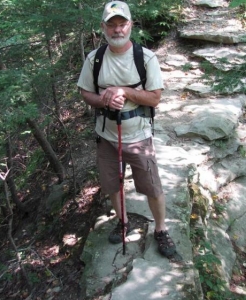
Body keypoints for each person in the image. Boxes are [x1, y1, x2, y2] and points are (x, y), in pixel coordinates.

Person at [77, 1, 176, 257]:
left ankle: (161, 229)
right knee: (112, 184)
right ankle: (123, 222)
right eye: (112, 25)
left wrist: (124, 91)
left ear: (130, 25)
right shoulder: (95, 59)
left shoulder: (145, 58)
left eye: (122, 24)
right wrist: (104, 100)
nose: (117, 30)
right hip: (106, 136)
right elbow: (85, 92)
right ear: (103, 28)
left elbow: (155, 98)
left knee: (152, 187)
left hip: (139, 136)